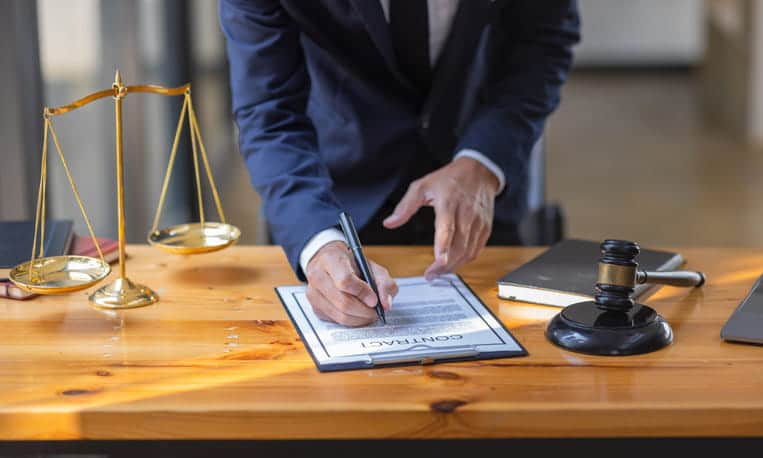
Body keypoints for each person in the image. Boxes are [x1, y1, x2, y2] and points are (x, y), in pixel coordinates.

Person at [219, 0, 580, 326]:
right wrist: (318, 243)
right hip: (338, 198)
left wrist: (483, 161)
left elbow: (542, 45)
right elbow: (269, 114)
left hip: (478, 194)